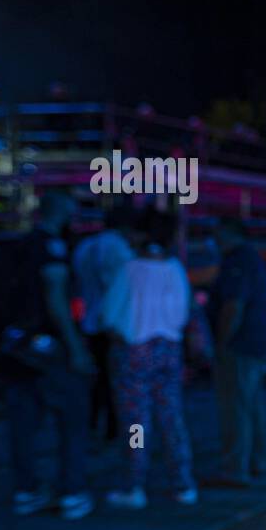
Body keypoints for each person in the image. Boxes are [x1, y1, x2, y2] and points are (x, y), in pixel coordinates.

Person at [0, 190, 96, 520]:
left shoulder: (17, 247)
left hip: (18, 347)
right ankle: (72, 492)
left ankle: (25, 490)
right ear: (63, 212)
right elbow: (56, 299)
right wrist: (77, 348)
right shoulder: (53, 248)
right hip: (50, 347)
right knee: (72, 419)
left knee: (24, 425)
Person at [100, 207, 197, 508]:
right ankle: (183, 484)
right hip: (169, 349)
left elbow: (109, 316)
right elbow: (184, 313)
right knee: (171, 417)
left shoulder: (129, 269)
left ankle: (134, 485)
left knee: (136, 423)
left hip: (133, 351)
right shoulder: (176, 268)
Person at [203, 216, 266, 488]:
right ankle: (256, 460)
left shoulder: (237, 262)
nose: (213, 239)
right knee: (252, 404)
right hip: (256, 343)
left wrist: (221, 343)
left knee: (236, 407)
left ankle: (235, 468)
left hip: (239, 345)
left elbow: (233, 307)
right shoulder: (252, 260)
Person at [73, 204, 137, 440]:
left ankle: (91, 424)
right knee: (115, 379)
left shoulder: (85, 247)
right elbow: (123, 288)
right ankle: (113, 429)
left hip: (90, 321)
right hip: (114, 325)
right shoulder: (119, 249)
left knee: (98, 377)